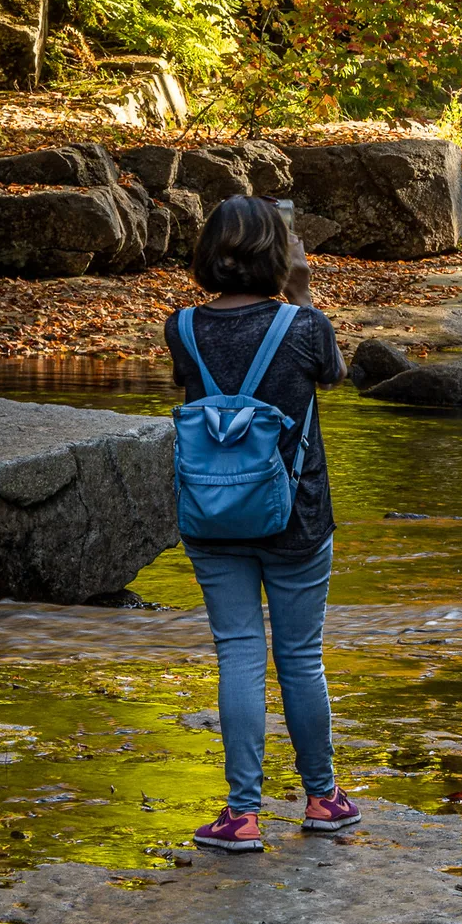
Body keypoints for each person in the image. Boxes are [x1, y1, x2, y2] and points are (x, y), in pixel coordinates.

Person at [165, 194, 360, 851]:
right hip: (296, 519)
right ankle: (324, 798)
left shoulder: (182, 327)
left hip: (212, 518)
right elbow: (333, 376)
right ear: (281, 255)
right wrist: (302, 292)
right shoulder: (305, 328)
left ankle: (241, 815)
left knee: (238, 654)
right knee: (300, 658)